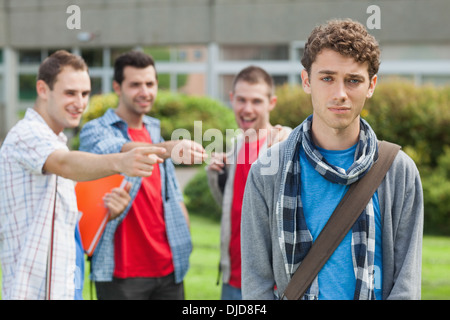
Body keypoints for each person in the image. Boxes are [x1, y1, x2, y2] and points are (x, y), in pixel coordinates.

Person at [241, 19, 424, 300]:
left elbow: (406, 284)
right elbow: (256, 282)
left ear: (371, 85)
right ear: (306, 81)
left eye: (353, 80)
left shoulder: (399, 171)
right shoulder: (267, 170)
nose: (340, 94)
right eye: (327, 78)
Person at [0, 50, 164, 300]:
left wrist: (107, 213)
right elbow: (65, 163)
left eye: (85, 93)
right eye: (70, 93)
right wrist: (121, 161)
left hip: (64, 286)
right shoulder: (26, 134)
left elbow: (67, 223)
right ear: (43, 89)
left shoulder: (55, 141)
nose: (80, 102)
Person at [79, 50, 207, 300]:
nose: (144, 91)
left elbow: (172, 194)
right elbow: (112, 150)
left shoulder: (154, 130)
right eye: (135, 84)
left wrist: (185, 237)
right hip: (121, 273)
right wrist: (166, 148)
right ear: (117, 87)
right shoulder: (96, 130)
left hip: (169, 268)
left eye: (150, 84)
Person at [206, 66, 291, 300]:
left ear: (271, 102)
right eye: (241, 100)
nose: (247, 109)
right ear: (231, 99)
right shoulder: (235, 149)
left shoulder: (283, 145)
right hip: (232, 277)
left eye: (256, 101)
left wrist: (287, 137)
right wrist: (217, 176)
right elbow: (233, 209)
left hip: (270, 283)